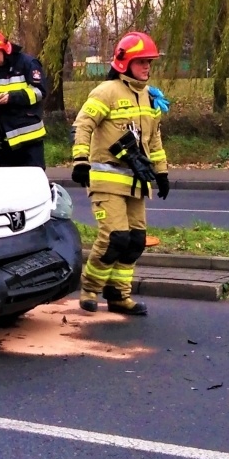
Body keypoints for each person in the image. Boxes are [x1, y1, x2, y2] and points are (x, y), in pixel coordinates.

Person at [70, 31, 170, 315]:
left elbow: (154, 141)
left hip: (137, 182)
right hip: (107, 179)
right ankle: (89, 289)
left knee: (135, 241)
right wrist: (80, 161)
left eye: (149, 62)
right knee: (115, 237)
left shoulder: (150, 98)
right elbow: (83, 125)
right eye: (141, 62)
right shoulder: (106, 92)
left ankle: (118, 296)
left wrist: (161, 173)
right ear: (124, 63)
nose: (147, 67)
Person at [0, 28, 49, 168]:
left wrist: (11, 98)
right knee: (9, 187)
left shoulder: (28, 64)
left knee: (33, 183)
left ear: (4, 49)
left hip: (30, 140)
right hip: (5, 142)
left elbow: (40, 91)